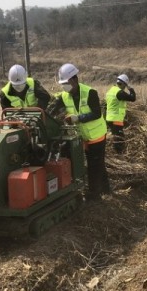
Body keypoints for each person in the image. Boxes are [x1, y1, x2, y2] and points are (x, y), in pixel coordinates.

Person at [48, 63, 109, 200]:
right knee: (98, 164)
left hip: (97, 135)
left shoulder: (90, 92)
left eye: (66, 83)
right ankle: (106, 189)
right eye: (62, 84)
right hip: (84, 137)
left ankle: (94, 196)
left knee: (94, 166)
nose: (64, 86)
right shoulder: (64, 96)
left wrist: (78, 118)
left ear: (75, 80)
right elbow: (51, 110)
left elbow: (97, 114)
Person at [105, 74, 136, 154]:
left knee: (115, 137)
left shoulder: (110, 90)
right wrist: (131, 89)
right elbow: (133, 98)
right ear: (123, 84)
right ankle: (119, 155)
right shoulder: (119, 93)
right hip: (116, 119)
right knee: (119, 140)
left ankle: (114, 153)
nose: (124, 88)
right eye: (125, 86)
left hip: (109, 118)